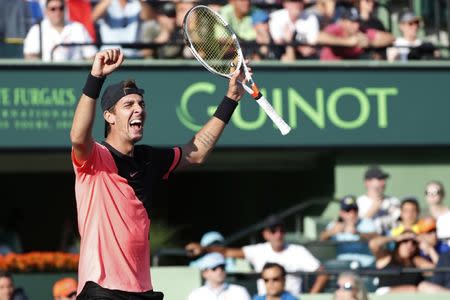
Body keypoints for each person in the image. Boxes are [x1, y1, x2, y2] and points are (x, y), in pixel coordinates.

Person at [70, 48, 247, 298]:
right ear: (109, 116)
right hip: (101, 289)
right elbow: (78, 136)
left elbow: (195, 153)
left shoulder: (150, 159)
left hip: (142, 290)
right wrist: (96, 77)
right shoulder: (95, 157)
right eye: (128, 105)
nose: (139, 109)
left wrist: (231, 99)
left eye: (141, 104)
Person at [186, 215, 328, 295]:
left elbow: (323, 273)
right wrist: (203, 249)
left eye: (281, 229)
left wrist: (311, 296)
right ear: (266, 234)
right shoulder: (258, 250)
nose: (278, 234)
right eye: (273, 230)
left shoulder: (298, 251)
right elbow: (227, 252)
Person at [23, 0, 96, 61]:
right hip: (47, 74)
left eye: (61, 8)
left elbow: (91, 56)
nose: (57, 12)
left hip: (75, 73)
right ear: (46, 11)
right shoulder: (36, 30)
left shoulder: (78, 28)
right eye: (53, 9)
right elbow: (29, 56)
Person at [369, 231, 438, 294]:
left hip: (412, 295)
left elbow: (439, 271)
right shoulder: (387, 257)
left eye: (414, 243)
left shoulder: (417, 261)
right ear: (398, 243)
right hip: (386, 294)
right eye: (405, 241)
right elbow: (373, 244)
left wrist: (430, 249)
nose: (409, 245)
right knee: (413, 289)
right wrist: (397, 237)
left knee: (425, 287)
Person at [319, 195, 377, 267]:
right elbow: (321, 238)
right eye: (348, 210)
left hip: (366, 266)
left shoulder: (366, 222)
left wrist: (357, 233)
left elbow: (376, 238)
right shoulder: (335, 224)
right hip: (343, 265)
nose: (352, 214)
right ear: (341, 213)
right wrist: (332, 232)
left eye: (355, 210)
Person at [319, 6, 394, 60]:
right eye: (352, 22)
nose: (356, 25)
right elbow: (319, 37)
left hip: (351, 73)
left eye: (358, 21)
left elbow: (390, 38)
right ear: (343, 22)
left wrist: (370, 43)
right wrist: (348, 42)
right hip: (330, 71)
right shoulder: (335, 28)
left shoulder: (361, 31)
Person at [187, 252, 251, 300]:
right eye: (214, 268)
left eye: (222, 267)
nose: (219, 271)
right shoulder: (196, 295)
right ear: (204, 273)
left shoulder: (239, 291)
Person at [356, 166, 400, 235]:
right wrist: (372, 210)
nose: (384, 182)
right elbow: (357, 226)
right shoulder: (359, 202)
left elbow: (402, 221)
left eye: (384, 179)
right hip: (367, 241)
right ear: (367, 182)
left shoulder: (393, 201)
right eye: (379, 179)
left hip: (390, 240)